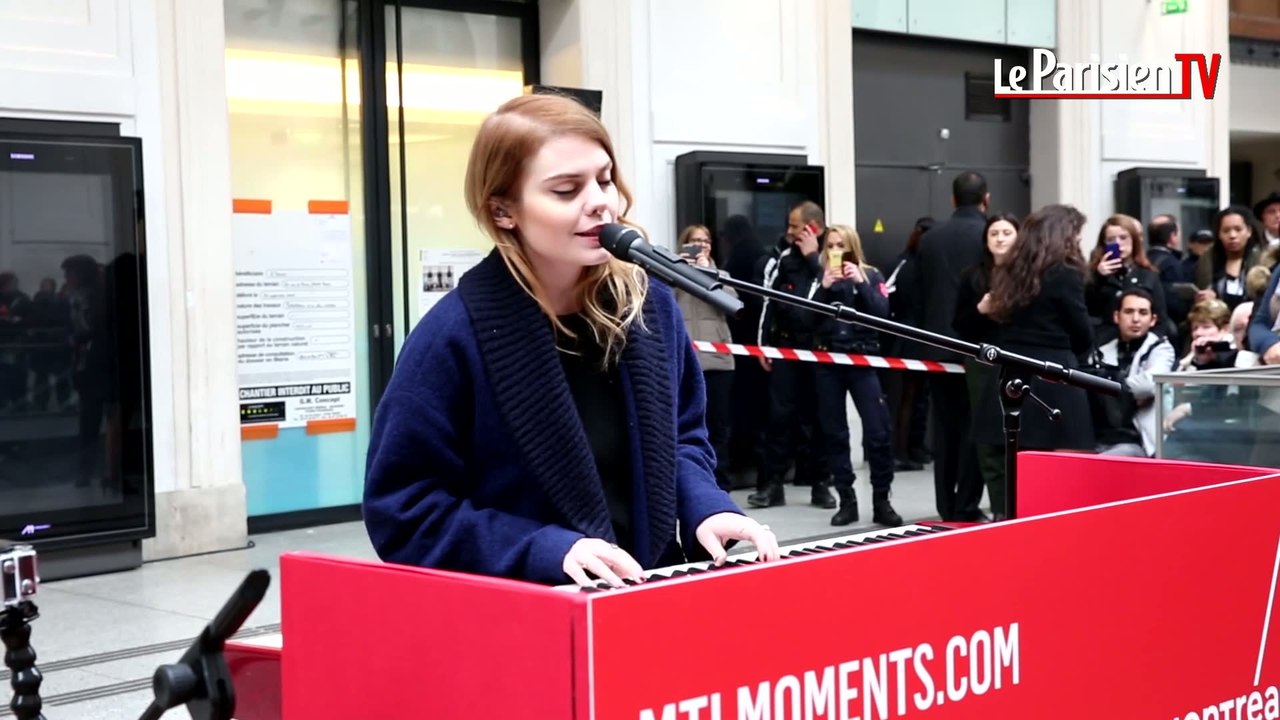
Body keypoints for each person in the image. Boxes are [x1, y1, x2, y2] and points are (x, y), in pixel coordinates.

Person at [361, 94, 779, 588]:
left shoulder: (651, 307)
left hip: (649, 602)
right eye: (565, 189)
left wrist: (706, 509)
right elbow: (404, 509)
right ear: (502, 212)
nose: (600, 201)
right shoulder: (453, 338)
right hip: (528, 620)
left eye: (604, 179)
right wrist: (544, 549)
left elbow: (684, 439)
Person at [811, 225, 903, 527]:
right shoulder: (819, 277)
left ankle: (881, 500)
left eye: (842, 245)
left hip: (863, 359)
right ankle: (846, 500)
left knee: (878, 431)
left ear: (854, 247)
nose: (836, 250)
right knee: (835, 433)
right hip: (828, 360)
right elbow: (805, 318)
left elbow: (883, 314)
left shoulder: (872, 275)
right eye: (832, 245)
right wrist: (824, 287)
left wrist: (861, 283)